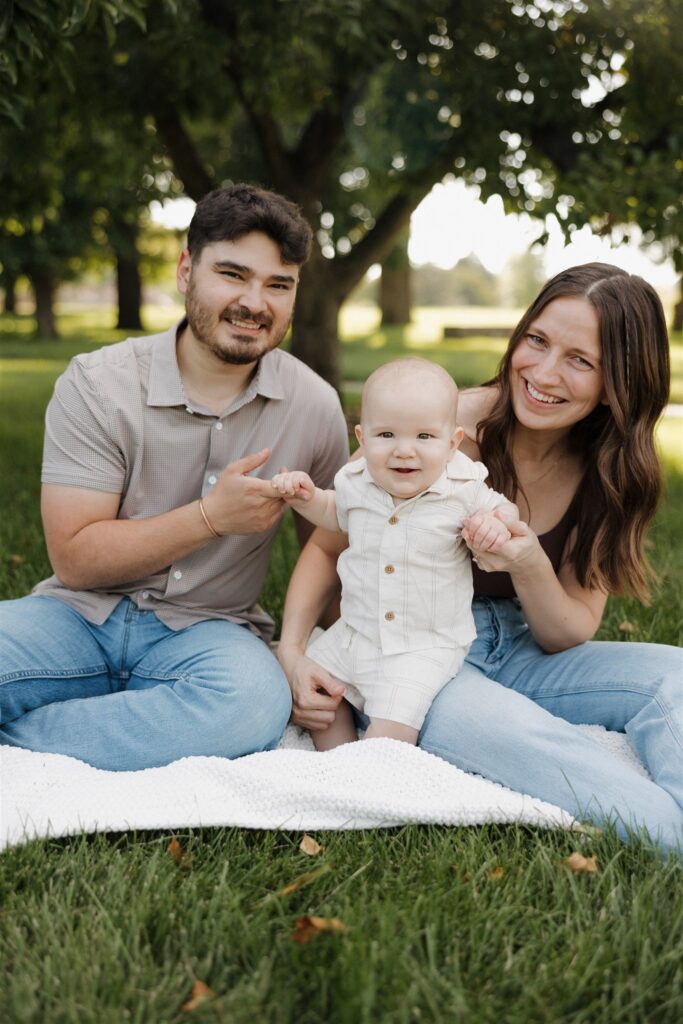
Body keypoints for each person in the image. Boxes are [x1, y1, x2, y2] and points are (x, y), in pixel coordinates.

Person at [277, 263, 683, 851]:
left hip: (519, 647)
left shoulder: (612, 472)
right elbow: (329, 540)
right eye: (537, 340)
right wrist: (293, 650)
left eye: (580, 360)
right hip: (419, 653)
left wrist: (526, 561)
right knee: (515, 736)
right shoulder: (434, 427)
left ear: (618, 383)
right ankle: (667, 835)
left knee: (673, 675)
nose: (543, 373)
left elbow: (567, 633)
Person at [0, 184, 349, 771]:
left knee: (251, 706)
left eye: (278, 285)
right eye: (233, 274)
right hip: (77, 616)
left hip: (211, 635)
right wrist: (212, 517)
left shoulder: (314, 405)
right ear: (186, 270)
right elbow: (77, 560)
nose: (254, 302)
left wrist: (316, 660)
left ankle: (22, 742)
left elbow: (334, 553)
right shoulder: (99, 383)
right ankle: (116, 733)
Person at [271, 358, 518, 749]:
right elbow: (332, 514)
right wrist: (306, 496)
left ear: (452, 442)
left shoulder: (462, 486)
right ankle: (336, 759)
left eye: (424, 437)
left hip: (422, 645)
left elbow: (505, 509)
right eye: (387, 434)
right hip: (357, 632)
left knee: (393, 731)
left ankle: (374, 768)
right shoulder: (357, 481)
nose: (405, 451)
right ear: (362, 438)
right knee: (321, 691)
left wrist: (497, 523)